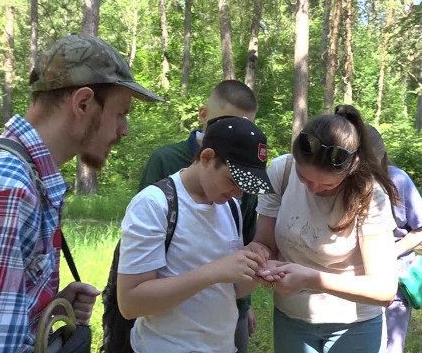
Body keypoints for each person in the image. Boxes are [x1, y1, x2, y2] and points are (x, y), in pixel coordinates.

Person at [0, 34, 164, 352]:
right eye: (121, 113)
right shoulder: (7, 192)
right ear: (83, 103)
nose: (124, 130)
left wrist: (47, 302)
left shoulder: (24, 179)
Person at [249, 105, 400, 353]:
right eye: (304, 178)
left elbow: (384, 289)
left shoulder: (369, 194)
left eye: (328, 185)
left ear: (351, 169)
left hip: (355, 324)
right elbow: (265, 241)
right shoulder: (282, 171)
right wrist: (260, 255)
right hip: (291, 317)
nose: (313, 189)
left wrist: (311, 279)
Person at [117, 116, 273, 353]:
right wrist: (213, 271)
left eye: (245, 186)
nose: (239, 194)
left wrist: (252, 271)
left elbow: (228, 291)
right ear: (207, 157)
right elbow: (130, 303)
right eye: (233, 181)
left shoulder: (229, 206)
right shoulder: (154, 204)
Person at [138, 80, 259, 352]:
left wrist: (245, 297)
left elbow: (244, 244)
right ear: (203, 115)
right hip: (166, 331)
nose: (235, 133)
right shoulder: (164, 164)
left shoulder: (240, 184)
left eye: (245, 127)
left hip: (223, 323)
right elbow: (136, 282)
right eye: (225, 122)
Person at [366, 125, 422, 353]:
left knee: (390, 347)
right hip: (355, 283)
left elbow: (419, 229)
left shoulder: (398, 179)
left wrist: (390, 251)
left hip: (395, 284)